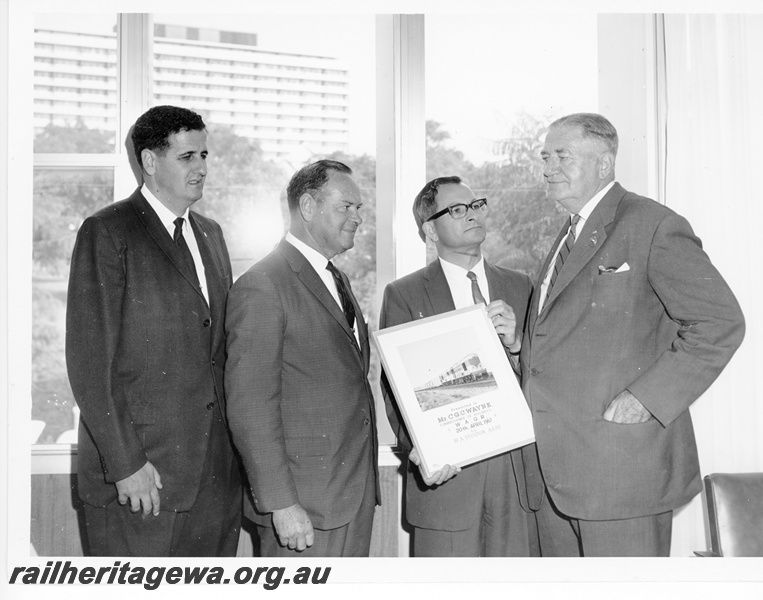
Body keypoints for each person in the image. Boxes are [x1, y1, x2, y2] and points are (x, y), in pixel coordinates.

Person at [521, 112, 745, 556]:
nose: (548, 168)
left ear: (604, 164)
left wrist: (646, 398)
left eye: (561, 156)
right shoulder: (567, 235)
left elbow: (720, 322)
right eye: (545, 157)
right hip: (555, 477)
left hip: (620, 475)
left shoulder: (652, 224)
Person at [65, 105, 242, 556]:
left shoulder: (212, 234)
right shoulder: (107, 231)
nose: (201, 167)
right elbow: (90, 365)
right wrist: (126, 465)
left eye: (204, 155)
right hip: (142, 482)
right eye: (187, 157)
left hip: (214, 484)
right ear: (149, 161)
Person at [225, 159, 379, 557]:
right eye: (347, 206)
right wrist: (281, 504)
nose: (358, 217)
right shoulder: (263, 285)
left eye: (359, 208)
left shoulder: (335, 279)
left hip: (348, 497)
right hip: (303, 510)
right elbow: (250, 405)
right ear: (308, 207)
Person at [379, 176, 537, 557]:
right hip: (448, 479)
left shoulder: (522, 285)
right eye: (457, 209)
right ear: (429, 230)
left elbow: (544, 375)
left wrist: (516, 346)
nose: (472, 215)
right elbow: (396, 389)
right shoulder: (404, 293)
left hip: (515, 475)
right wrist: (422, 448)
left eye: (476, 205)